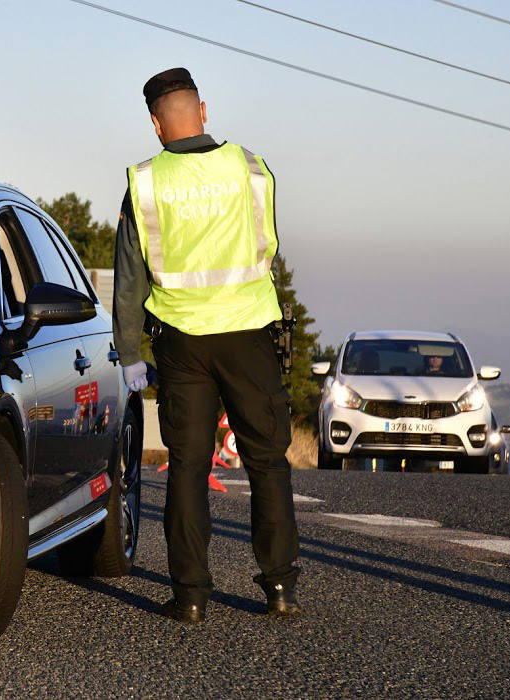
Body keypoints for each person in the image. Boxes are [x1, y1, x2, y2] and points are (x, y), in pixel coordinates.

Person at [113, 68, 301, 623]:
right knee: (267, 463)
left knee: (189, 467)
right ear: (204, 110)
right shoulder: (251, 168)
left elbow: (130, 279)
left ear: (155, 123)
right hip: (249, 334)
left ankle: (191, 595)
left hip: (181, 342)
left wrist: (129, 355)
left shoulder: (144, 184)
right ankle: (280, 589)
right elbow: (269, 244)